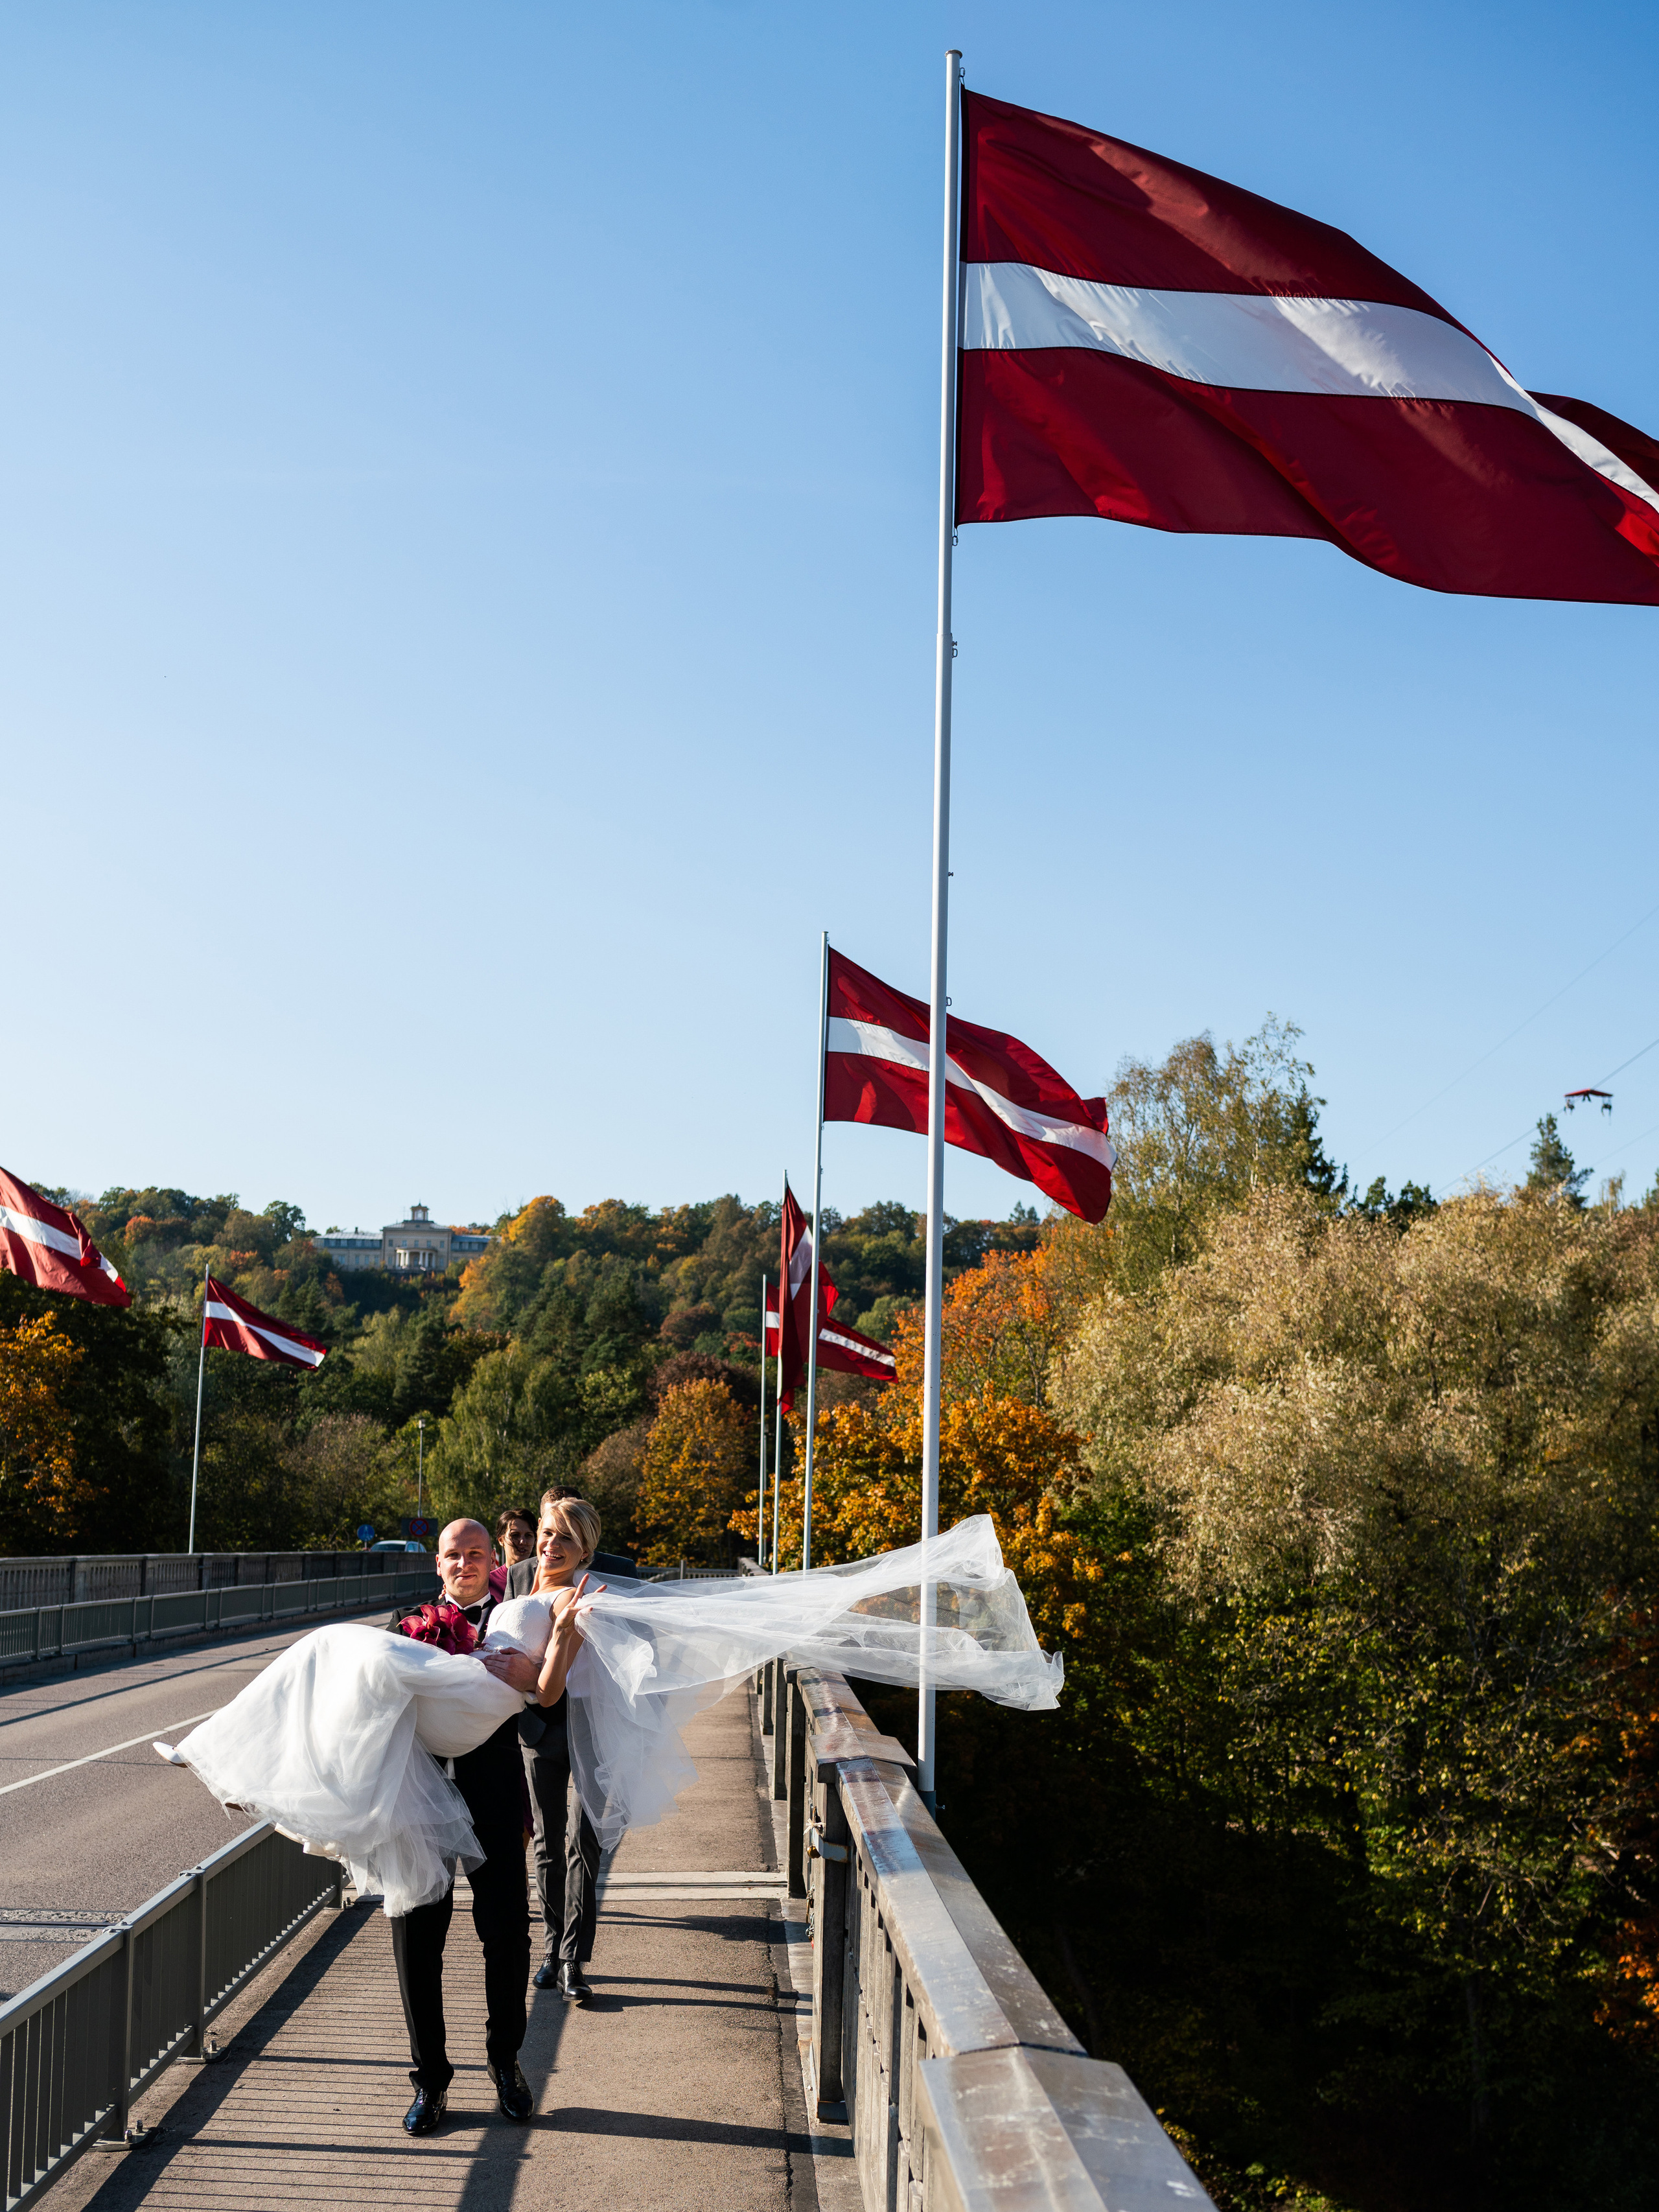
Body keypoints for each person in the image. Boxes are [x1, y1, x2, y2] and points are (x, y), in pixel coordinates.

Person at [506, 1493, 616, 1999]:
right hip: (535, 1728)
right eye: (549, 1531)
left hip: (588, 1726)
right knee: (548, 1844)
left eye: (566, 1538)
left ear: (585, 1552)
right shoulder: (514, 1575)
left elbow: (557, 1674)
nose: (552, 1543)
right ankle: (551, 1947)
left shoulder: (581, 1594)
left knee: (582, 1843)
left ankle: (575, 1959)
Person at [490, 1506, 537, 1600]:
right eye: (515, 1535)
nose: (523, 1541)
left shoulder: (546, 1579)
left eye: (529, 1535)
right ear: (501, 1540)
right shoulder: (488, 1583)